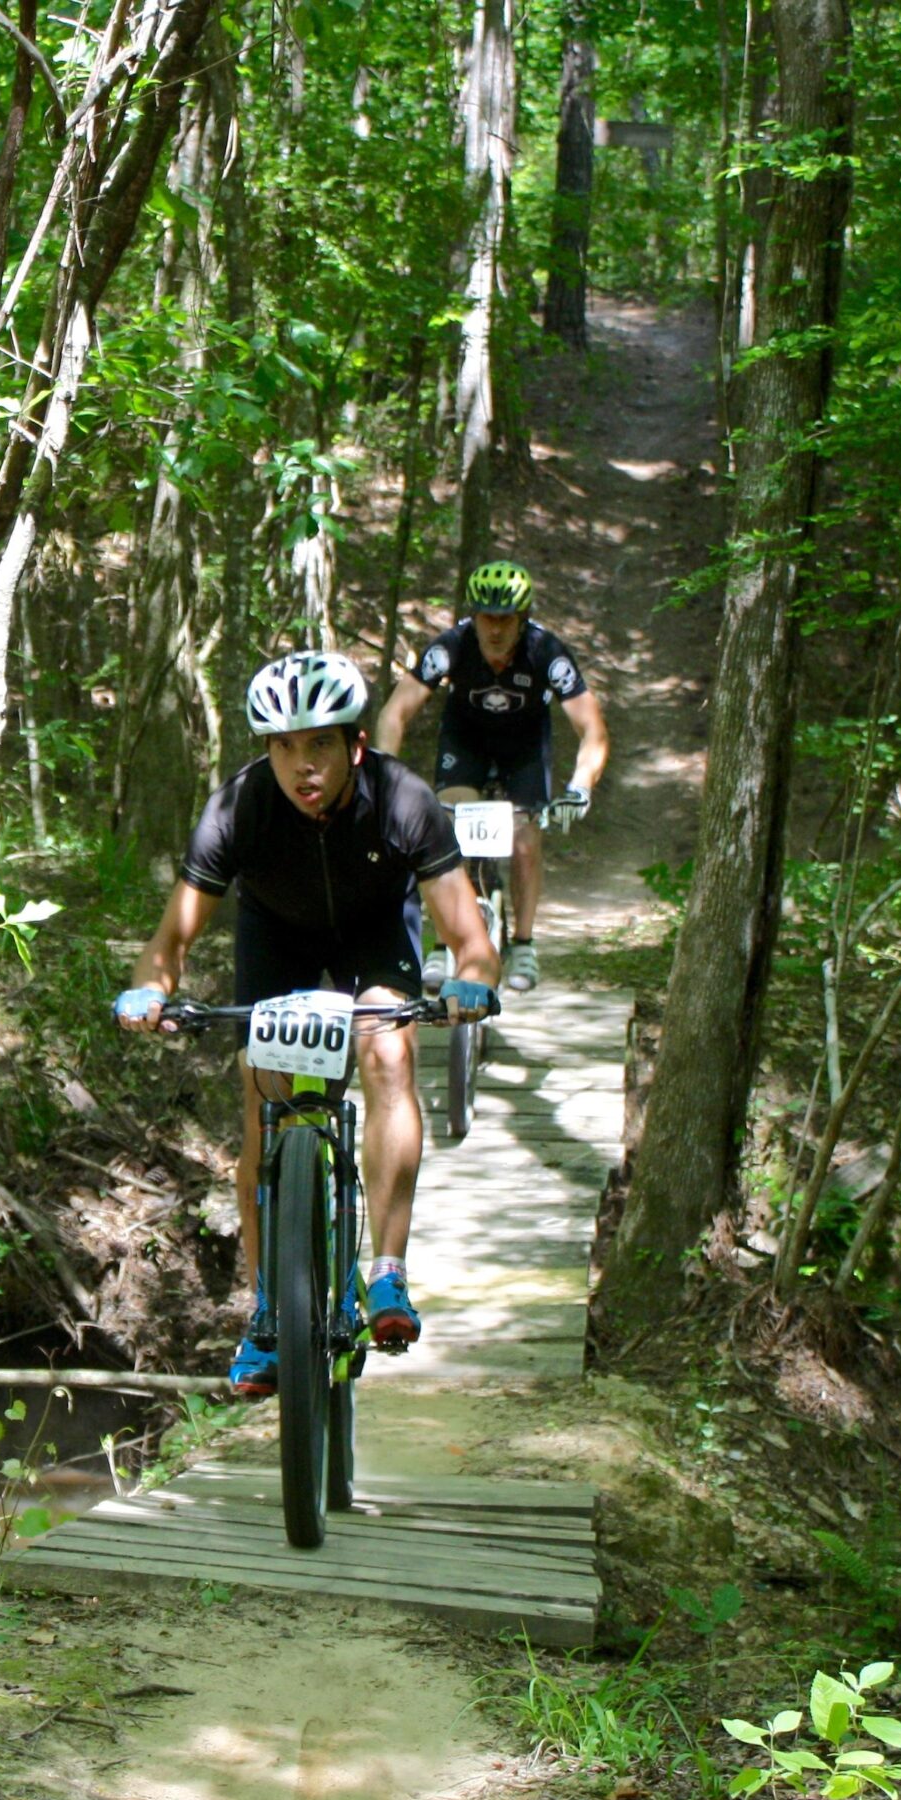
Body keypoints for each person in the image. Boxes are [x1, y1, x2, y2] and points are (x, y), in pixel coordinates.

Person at [112, 651, 499, 1394]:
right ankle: (266, 1312)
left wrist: (472, 986)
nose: (301, 765)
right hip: (277, 935)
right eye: (283, 746)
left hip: (375, 931)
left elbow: (472, 943)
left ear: (356, 744)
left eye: (319, 742)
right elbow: (168, 944)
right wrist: (148, 993)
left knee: (387, 1050)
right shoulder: (237, 810)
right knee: (264, 1098)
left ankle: (386, 1273)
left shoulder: (405, 800)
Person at [371, 560, 610, 994]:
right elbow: (395, 712)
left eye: (506, 619)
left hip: (524, 748)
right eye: (487, 617)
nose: (495, 629)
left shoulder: (546, 652)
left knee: (525, 838)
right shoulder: (451, 647)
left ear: (522, 619)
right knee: (449, 830)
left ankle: (523, 943)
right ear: (473, 615)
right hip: (467, 745)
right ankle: (444, 946)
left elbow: (592, 729)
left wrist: (580, 788)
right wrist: (383, 776)